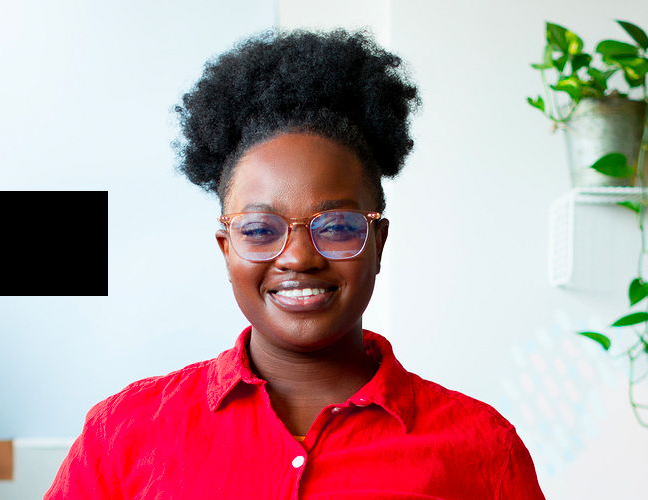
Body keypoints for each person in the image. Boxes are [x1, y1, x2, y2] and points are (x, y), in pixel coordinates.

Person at [46, 29, 545, 499]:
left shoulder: (481, 448)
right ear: (226, 248)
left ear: (378, 241)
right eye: (261, 230)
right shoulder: (124, 433)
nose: (300, 257)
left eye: (337, 227)